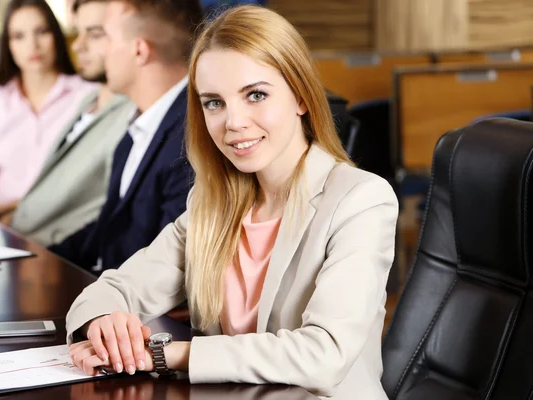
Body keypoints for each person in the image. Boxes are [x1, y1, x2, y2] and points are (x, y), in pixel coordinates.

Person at [66, 5, 398, 399]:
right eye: (214, 103)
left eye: (255, 95)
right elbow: (116, 288)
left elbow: (324, 353)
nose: (233, 122)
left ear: (301, 97)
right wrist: (105, 323)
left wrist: (170, 354)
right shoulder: (212, 205)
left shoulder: (361, 200)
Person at [49, 0, 202, 273]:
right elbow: (107, 231)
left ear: (139, 50)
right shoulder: (135, 132)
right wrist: (42, 262)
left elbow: (166, 265)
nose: (101, 51)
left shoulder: (192, 137)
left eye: (105, 36)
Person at [9, 0, 135, 246]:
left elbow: (98, 210)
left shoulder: (132, 113)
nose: (77, 45)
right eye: (78, 32)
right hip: (20, 236)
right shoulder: (88, 101)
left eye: (96, 34)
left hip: (52, 252)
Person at [0, 0, 96, 219]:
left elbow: (86, 188)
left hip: (63, 224)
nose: (32, 45)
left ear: (56, 36)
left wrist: (9, 208)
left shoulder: (89, 96)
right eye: (19, 36)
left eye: (41, 32)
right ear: (8, 45)